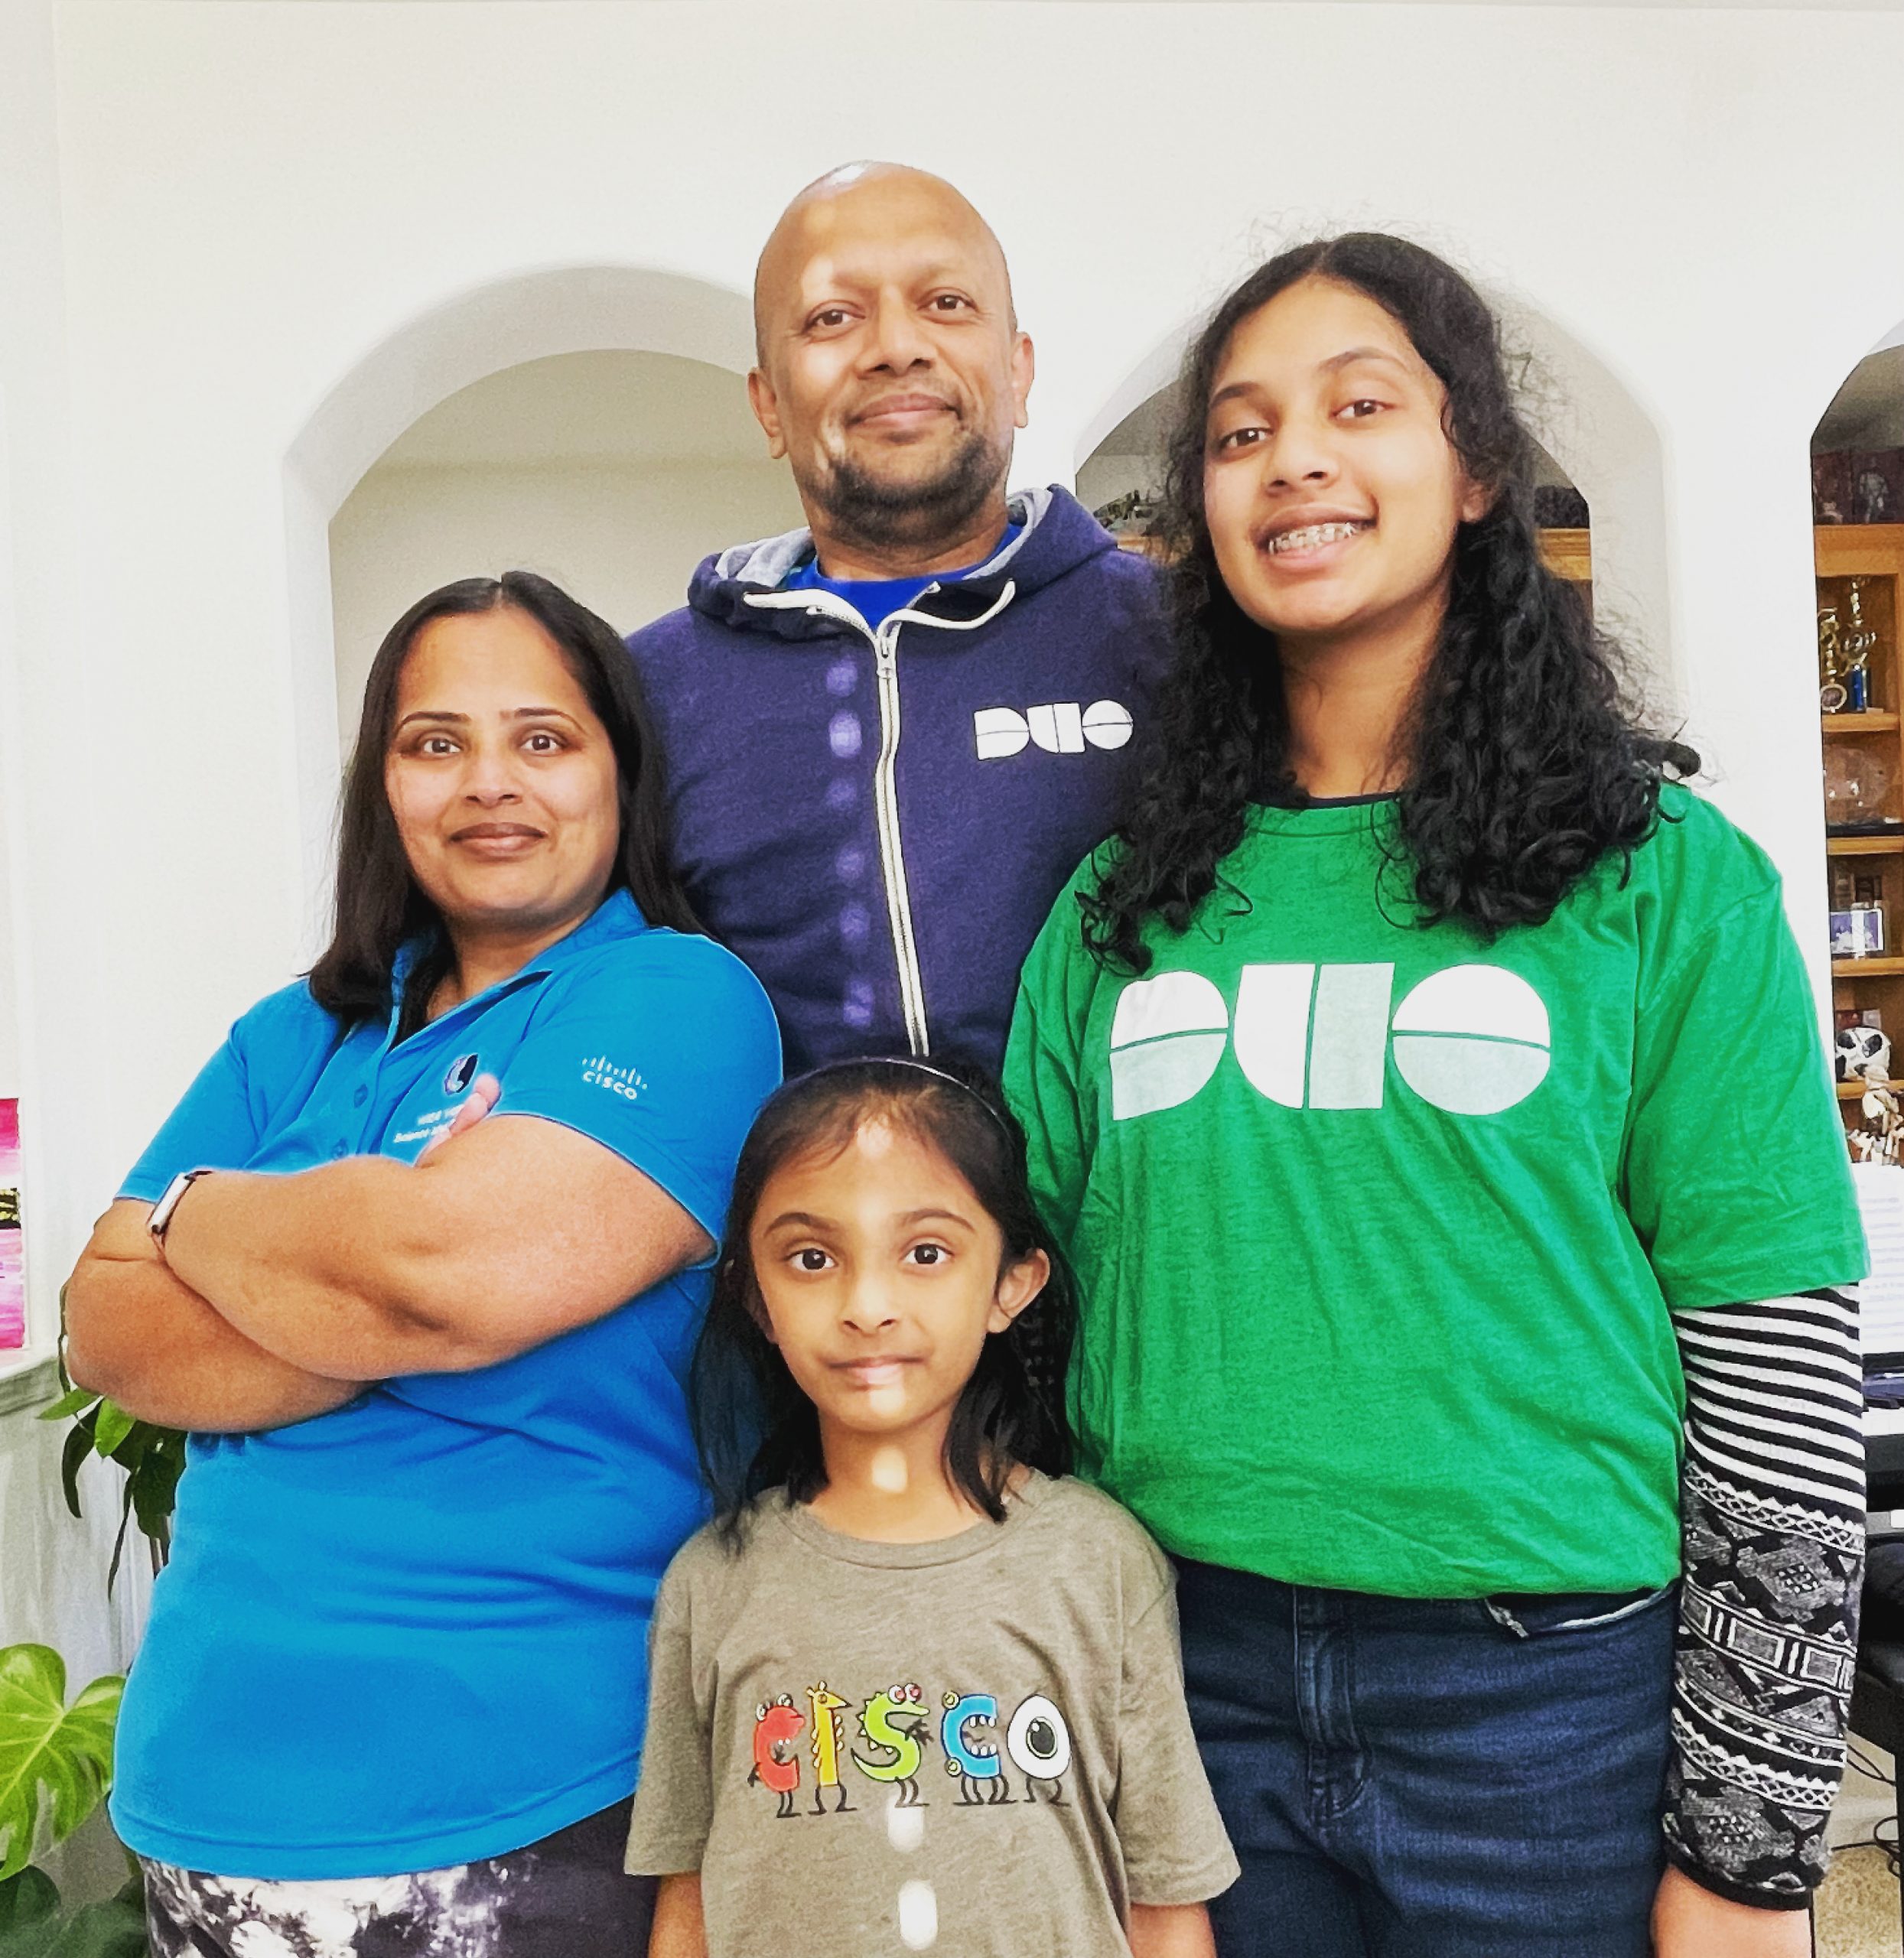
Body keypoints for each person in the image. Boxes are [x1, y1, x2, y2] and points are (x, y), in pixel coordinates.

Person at [1003, 236, 1867, 1958]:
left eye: (1358, 407)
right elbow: (1025, 1319)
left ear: (1473, 469)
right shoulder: (1120, 903)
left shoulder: (1658, 877)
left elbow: (1773, 1357)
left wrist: (1751, 1845)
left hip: (1547, 1708)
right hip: (1181, 1679)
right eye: (1238, 432)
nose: (1292, 461)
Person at [63, 572, 781, 1958]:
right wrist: (362, 1282)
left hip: (525, 1796)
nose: (488, 782)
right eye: (434, 742)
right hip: (206, 1792)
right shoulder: (295, 1032)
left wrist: (191, 1215)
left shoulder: (678, 999)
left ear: (620, 772)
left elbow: (447, 1280)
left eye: (542, 738)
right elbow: (105, 1332)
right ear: (382, 786)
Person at [624, 1058, 1238, 1957]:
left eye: (924, 1253)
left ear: (1011, 1283)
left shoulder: (1098, 1560)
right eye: (810, 1258)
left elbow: (1163, 1897)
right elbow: (691, 1901)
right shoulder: (710, 1583)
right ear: (756, 1295)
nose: (867, 1306)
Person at [627, 161, 1170, 1074]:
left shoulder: (1177, 637)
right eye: (831, 317)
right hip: (788, 1175)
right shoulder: (641, 694)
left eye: (944, 303)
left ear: (1017, 370)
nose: (894, 346)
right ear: (767, 404)